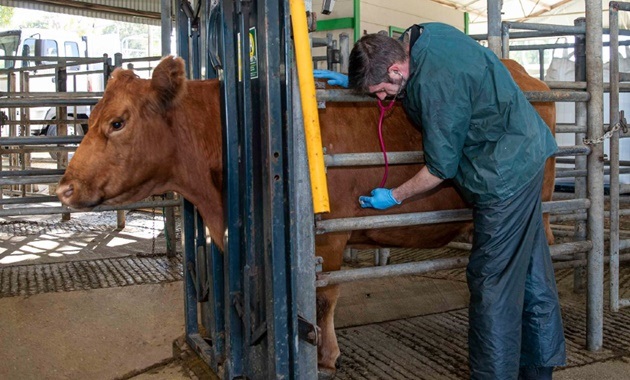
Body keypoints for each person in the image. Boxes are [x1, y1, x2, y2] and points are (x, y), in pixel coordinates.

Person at [314, 22, 566, 380]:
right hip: (522, 156)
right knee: (531, 274)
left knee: (491, 283)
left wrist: (394, 196)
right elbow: (403, 84)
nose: (383, 99)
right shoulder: (424, 36)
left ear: (397, 69)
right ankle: (539, 371)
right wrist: (356, 85)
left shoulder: (437, 86)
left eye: (383, 90)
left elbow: (439, 169)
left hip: (504, 177)